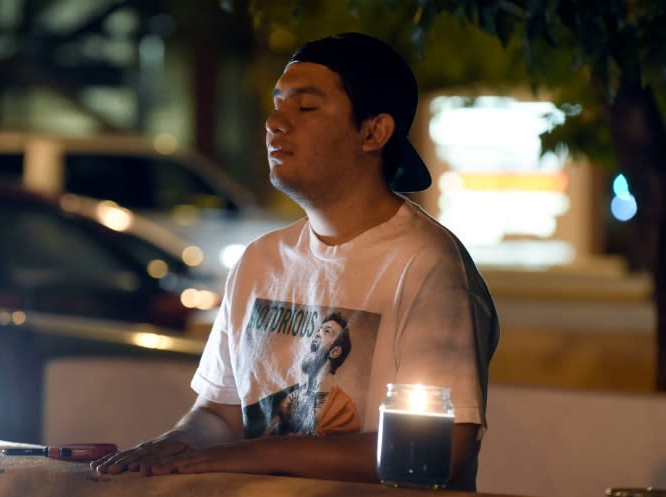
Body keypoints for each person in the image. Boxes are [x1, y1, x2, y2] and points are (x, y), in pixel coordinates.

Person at [91, 32, 499, 490]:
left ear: (373, 132)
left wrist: (258, 454)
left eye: (305, 108)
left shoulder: (426, 265)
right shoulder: (260, 260)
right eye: (277, 103)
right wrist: (176, 443)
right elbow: (221, 413)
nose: (275, 122)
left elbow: (442, 449)